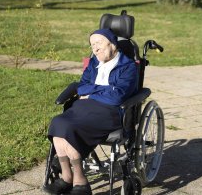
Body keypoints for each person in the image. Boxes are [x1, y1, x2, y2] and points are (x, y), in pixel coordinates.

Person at [44, 29, 138, 195]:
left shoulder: (128, 66)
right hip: (83, 108)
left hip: (109, 112)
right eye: (92, 45)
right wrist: (103, 90)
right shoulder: (94, 64)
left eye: (99, 43)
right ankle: (66, 177)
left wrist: (91, 92)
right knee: (58, 122)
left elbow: (117, 96)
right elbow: (81, 87)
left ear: (112, 44)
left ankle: (80, 182)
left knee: (69, 128)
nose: (95, 49)